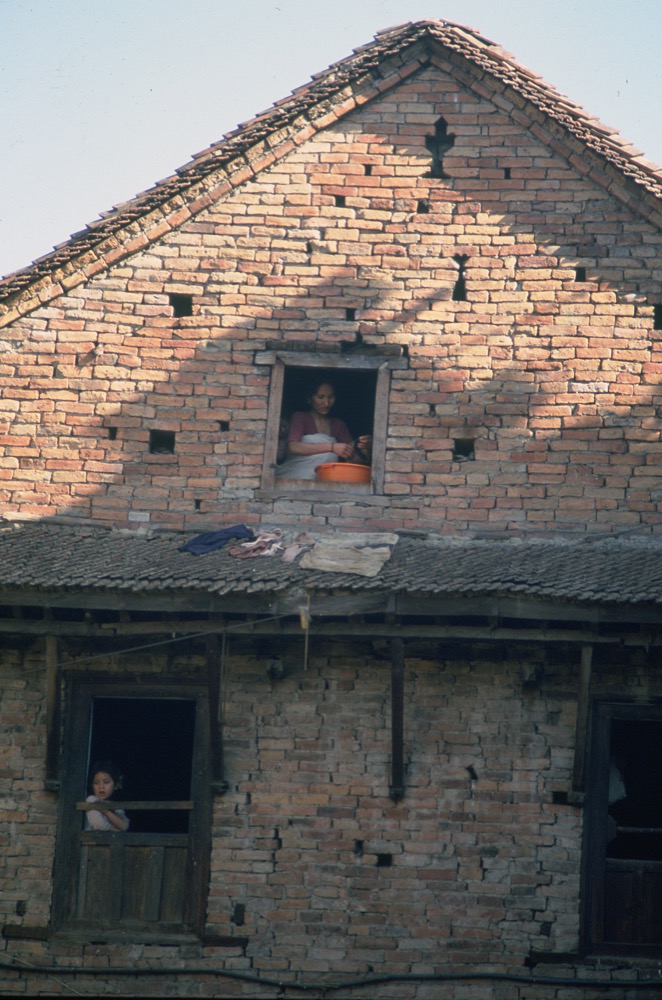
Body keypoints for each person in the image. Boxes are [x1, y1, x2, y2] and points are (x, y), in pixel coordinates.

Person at [276, 380, 372, 479]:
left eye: (330, 397)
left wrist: (364, 448)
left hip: (325, 481)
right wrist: (332, 447)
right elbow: (292, 447)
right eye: (320, 397)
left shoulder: (338, 425)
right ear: (309, 398)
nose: (326, 403)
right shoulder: (300, 417)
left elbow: (353, 460)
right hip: (295, 478)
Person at [84, 760, 130, 832]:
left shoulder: (115, 806)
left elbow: (124, 826)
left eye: (106, 782)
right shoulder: (92, 800)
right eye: (96, 783)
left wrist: (106, 811)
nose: (101, 786)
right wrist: (118, 832)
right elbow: (99, 825)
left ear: (115, 785)